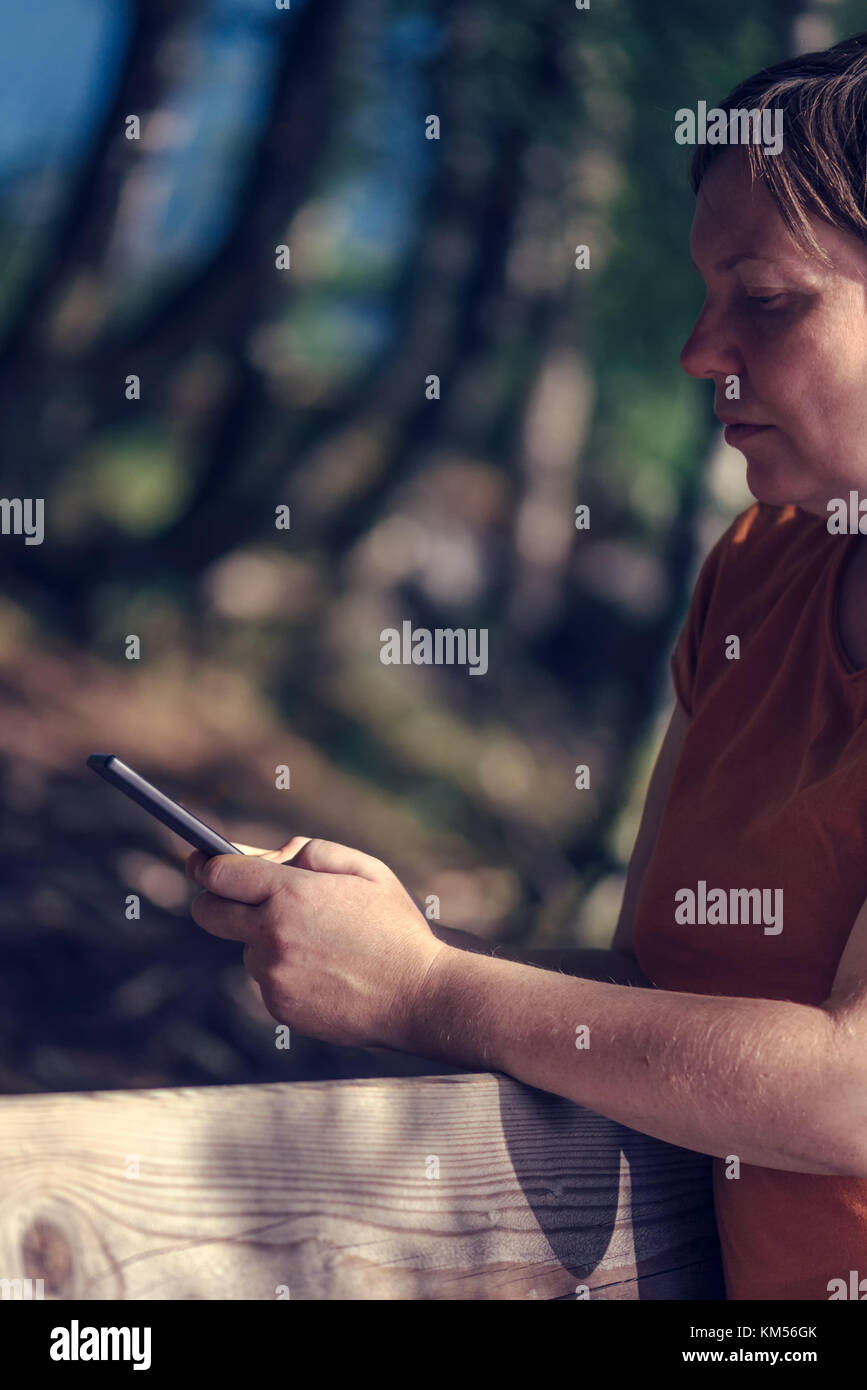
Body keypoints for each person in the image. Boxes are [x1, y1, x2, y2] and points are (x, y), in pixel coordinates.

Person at [185, 32, 867, 1301]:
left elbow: (850, 1094)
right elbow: (655, 992)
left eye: (766, 300)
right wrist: (385, 934)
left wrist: (430, 991)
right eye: (705, 295)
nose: (699, 352)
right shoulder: (760, 571)